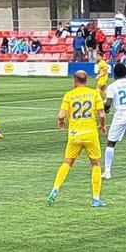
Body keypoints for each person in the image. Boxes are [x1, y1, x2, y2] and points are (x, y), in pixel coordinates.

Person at [48, 70, 107, 207]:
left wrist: (61, 123)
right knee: (95, 164)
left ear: (74, 81)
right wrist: (102, 126)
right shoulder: (94, 94)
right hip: (90, 134)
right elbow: (102, 114)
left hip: (74, 134)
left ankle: (55, 189)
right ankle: (96, 198)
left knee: (67, 162)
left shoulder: (69, 95)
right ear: (86, 80)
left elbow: (61, 115)